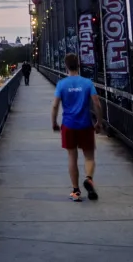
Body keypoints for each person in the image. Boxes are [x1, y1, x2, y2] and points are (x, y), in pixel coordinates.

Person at [51, 53, 103, 202]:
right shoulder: (87, 83)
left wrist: (54, 122)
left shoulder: (62, 84)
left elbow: (55, 105)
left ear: (66, 66)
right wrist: (99, 122)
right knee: (89, 156)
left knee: (72, 157)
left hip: (68, 125)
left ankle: (76, 191)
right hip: (85, 124)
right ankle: (89, 179)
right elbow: (97, 103)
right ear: (79, 65)